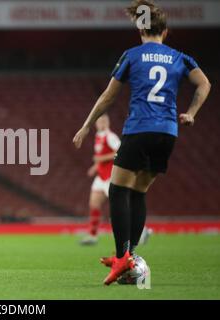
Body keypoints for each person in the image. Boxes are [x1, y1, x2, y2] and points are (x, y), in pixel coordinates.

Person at [73, 0, 210, 285]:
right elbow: (204, 83)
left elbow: (108, 97)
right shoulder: (179, 57)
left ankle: (123, 256)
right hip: (168, 133)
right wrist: (192, 113)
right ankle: (131, 259)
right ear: (166, 31)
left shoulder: (133, 55)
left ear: (140, 31)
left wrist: (87, 125)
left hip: (139, 129)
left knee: (118, 189)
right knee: (138, 192)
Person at [80, 114, 152, 246]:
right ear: (96, 123)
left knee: (120, 206)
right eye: (99, 121)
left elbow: (121, 151)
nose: (101, 123)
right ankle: (92, 235)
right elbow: (101, 156)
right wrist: (95, 167)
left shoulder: (110, 136)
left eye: (104, 121)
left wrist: (101, 159)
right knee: (94, 204)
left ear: (108, 123)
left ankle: (143, 231)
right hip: (101, 177)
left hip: (111, 177)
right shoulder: (98, 136)